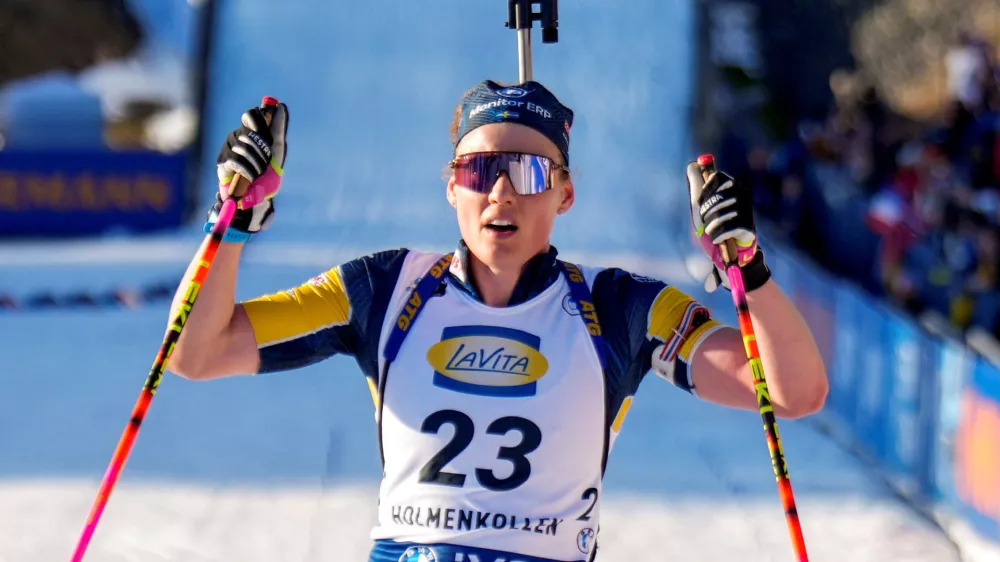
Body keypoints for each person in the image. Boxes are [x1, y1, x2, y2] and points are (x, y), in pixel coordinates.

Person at [168, 79, 828, 562]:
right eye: (479, 169)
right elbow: (197, 352)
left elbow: (792, 392)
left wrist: (751, 273)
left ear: (565, 193)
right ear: (451, 185)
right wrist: (231, 225)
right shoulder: (386, 287)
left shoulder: (620, 307)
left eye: (529, 170)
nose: (502, 191)